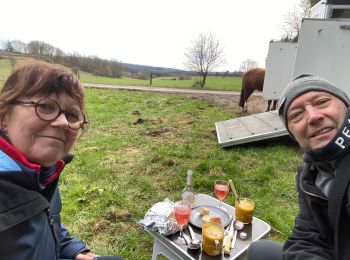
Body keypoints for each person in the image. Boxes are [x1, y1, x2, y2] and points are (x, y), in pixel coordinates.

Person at [0, 60, 121, 260]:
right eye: (46, 106)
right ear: (4, 117)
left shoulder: (40, 174)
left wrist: (73, 250)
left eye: (72, 115)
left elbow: (47, 222)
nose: (64, 122)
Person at [247, 74, 350, 260]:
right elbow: (308, 236)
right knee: (258, 249)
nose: (313, 116)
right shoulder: (309, 175)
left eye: (322, 102)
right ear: (293, 135)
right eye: (296, 115)